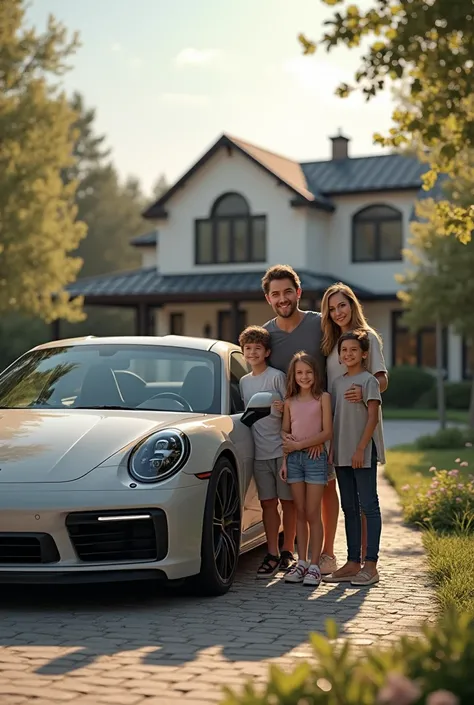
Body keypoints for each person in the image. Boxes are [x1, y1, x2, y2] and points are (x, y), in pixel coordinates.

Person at [261, 264, 338, 576]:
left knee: (327, 487)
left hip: (324, 421)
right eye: (276, 293)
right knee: (297, 498)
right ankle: (298, 555)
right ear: (268, 298)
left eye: (288, 291)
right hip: (291, 430)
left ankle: (328, 553)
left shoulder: (320, 324)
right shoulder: (267, 334)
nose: (283, 298)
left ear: (299, 292)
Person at [320, 282, 388, 575]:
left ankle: (368, 562)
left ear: (352, 304)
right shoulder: (331, 342)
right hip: (338, 431)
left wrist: (365, 392)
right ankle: (353, 560)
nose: (337, 312)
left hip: (361, 428)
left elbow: (381, 380)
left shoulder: (367, 338)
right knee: (349, 502)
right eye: (332, 308)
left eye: (342, 305)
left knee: (366, 502)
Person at [238, 325, 297, 578]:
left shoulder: (276, 376)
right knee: (267, 503)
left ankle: (287, 550)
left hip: (281, 450)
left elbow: (291, 408)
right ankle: (271, 552)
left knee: (288, 502)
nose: (252, 353)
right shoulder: (244, 382)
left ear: (267, 351)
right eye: (248, 349)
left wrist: (283, 408)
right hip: (259, 451)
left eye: (257, 348)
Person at [280, 352, 333, 586]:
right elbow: (284, 432)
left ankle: (314, 566)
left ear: (316, 374)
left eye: (309, 372)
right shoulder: (289, 401)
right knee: (300, 512)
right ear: (294, 375)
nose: (304, 376)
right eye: (300, 372)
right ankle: (301, 562)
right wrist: (285, 459)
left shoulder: (323, 398)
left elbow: (327, 432)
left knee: (313, 513)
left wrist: (304, 443)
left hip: (315, 458)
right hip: (293, 461)